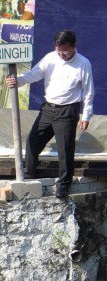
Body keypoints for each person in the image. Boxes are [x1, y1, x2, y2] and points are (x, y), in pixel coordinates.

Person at [5, 30, 94, 198]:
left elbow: (88, 92)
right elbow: (34, 74)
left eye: (66, 51)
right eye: (59, 50)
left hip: (67, 110)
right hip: (48, 109)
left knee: (65, 151)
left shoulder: (83, 63)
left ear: (74, 47)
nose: (62, 54)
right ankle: (29, 174)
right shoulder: (51, 58)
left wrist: (86, 115)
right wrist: (17, 81)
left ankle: (64, 185)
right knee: (32, 141)